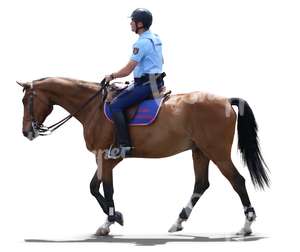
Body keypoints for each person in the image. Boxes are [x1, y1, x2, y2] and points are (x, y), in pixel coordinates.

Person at [104, 8, 165, 159]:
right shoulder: (156, 38)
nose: (130, 23)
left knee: (115, 105)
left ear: (139, 24)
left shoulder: (141, 43)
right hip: (156, 81)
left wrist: (111, 76)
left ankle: (125, 146)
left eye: (132, 21)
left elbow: (128, 69)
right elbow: (161, 61)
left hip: (146, 85)